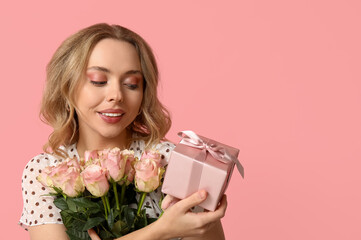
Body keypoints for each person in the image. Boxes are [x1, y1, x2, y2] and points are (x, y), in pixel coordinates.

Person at [19, 23, 227, 240]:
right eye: (99, 81)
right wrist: (163, 230)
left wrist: (206, 203)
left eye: (131, 84)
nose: (116, 94)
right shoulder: (46, 173)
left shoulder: (168, 160)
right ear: (67, 86)